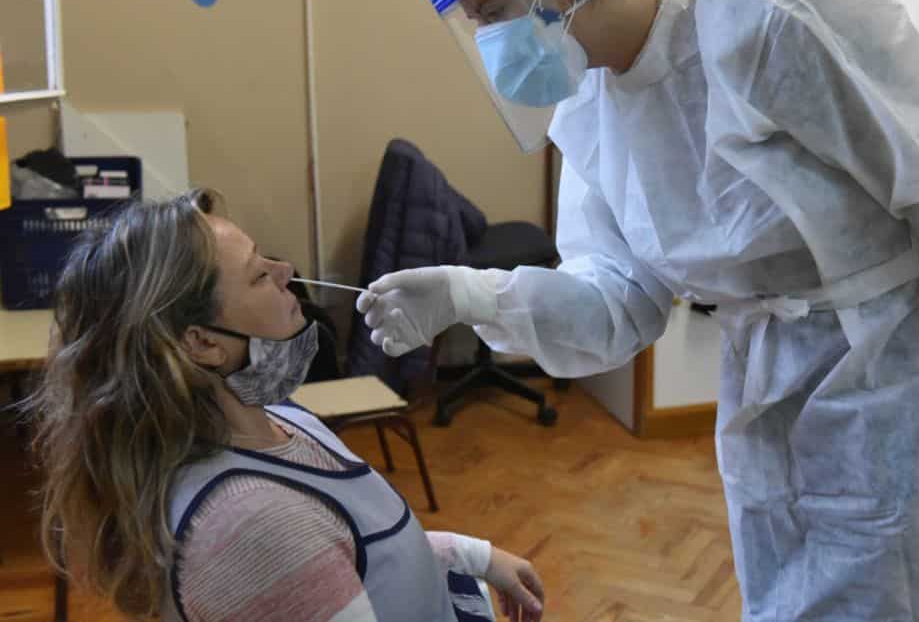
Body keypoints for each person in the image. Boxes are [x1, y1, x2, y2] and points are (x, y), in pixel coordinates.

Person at [359, 0, 919, 619]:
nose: (494, 44)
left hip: (889, 373)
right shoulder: (589, 107)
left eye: (495, 13)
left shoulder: (767, 25)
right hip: (762, 386)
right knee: (784, 598)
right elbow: (616, 302)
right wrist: (471, 294)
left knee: (890, 601)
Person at [26, 190, 544, 622]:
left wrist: (474, 556)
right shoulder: (251, 525)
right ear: (202, 342)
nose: (285, 270)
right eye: (257, 275)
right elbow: (302, 560)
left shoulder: (278, 418)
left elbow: (357, 555)